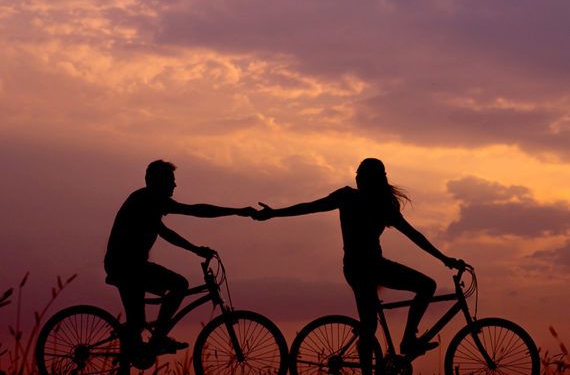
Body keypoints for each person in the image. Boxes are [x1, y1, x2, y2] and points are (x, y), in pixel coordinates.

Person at [253, 157, 465, 374]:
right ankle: (408, 340)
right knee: (421, 290)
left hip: (361, 267)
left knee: (372, 324)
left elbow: (414, 235)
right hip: (367, 267)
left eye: (360, 174)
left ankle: (396, 349)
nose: (356, 177)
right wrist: (445, 259)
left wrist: (444, 258)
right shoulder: (364, 201)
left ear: (370, 179)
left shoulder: (366, 201)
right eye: (357, 173)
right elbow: (310, 207)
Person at [104, 160, 256, 355]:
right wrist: (236, 212)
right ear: (157, 181)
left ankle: (140, 344)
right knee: (178, 286)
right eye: (170, 181)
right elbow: (181, 221)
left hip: (132, 266)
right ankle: (158, 337)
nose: (174, 185)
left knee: (137, 324)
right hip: (125, 267)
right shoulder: (145, 200)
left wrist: (198, 247)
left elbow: (183, 219)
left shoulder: (151, 201)